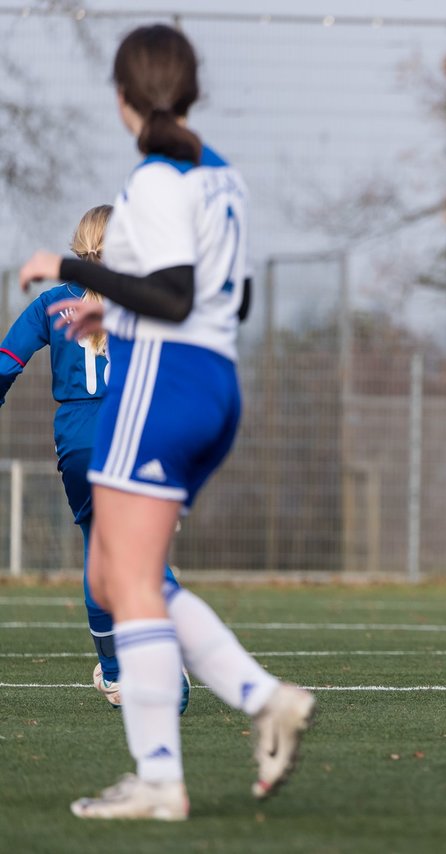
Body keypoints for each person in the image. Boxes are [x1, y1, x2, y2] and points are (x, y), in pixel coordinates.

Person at [19, 24, 312, 821]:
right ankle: (259, 699)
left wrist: (69, 269)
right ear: (189, 91)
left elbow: (176, 295)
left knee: (126, 581)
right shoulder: (221, 177)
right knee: (121, 574)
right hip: (213, 383)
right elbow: (230, 298)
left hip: (163, 385)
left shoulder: (152, 180)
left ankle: (163, 775)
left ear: (122, 97)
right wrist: (112, 309)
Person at [0, 205, 190, 714]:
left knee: (98, 544)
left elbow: (5, 363)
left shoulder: (50, 303)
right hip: (131, 430)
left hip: (79, 435)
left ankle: (114, 671)